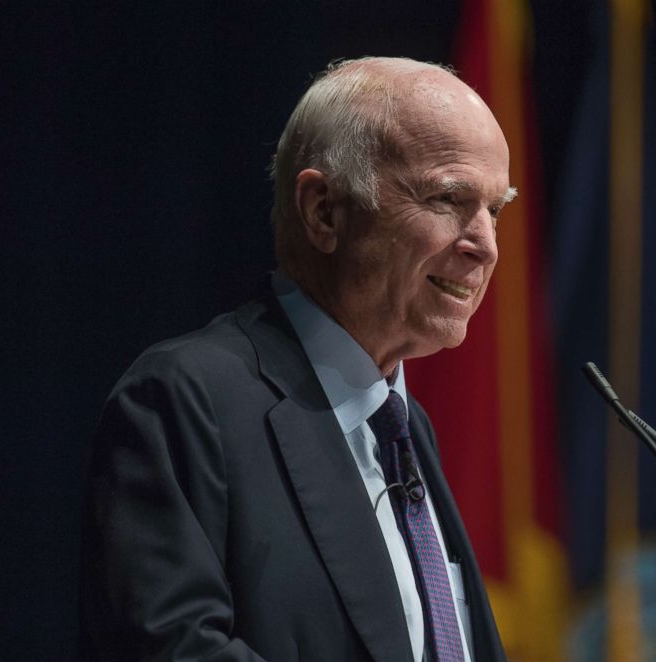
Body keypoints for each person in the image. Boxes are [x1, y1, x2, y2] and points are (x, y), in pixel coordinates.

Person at [81, 56, 516, 662]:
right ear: (323, 210)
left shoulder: (406, 427)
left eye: (495, 210)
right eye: (449, 199)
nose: (485, 247)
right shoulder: (187, 400)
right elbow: (172, 648)